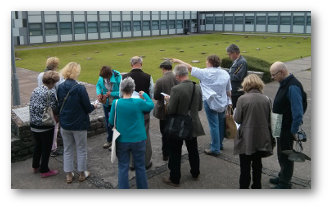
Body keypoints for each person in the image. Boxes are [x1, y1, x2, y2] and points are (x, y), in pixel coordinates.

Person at [172, 55, 231, 156]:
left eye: (206, 62)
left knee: (214, 125)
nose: (205, 63)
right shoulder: (225, 73)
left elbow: (189, 67)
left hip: (210, 101)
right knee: (221, 124)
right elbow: (228, 91)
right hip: (223, 102)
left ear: (210, 63)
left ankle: (215, 148)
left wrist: (178, 60)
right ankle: (219, 144)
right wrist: (229, 103)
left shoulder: (205, 72)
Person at [162, 64, 204, 187]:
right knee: (193, 150)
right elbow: (200, 107)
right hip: (193, 123)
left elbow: (171, 110)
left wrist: (168, 101)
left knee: (175, 152)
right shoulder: (197, 87)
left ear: (177, 76)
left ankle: (175, 179)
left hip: (179, 125)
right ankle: (195, 173)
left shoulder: (176, 89)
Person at [109, 77, 154, 189]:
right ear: (132, 89)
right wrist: (145, 95)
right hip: (138, 139)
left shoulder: (116, 103)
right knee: (140, 166)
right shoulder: (138, 102)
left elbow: (110, 121)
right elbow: (150, 105)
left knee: (123, 167)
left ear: (121, 89)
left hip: (122, 140)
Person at [57, 62, 98, 184]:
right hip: (79, 124)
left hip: (65, 123)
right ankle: (82, 173)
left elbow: (59, 104)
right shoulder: (80, 88)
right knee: (81, 149)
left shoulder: (60, 87)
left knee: (67, 149)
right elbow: (87, 107)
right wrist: (94, 106)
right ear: (76, 72)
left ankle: (69, 175)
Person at [269, 61, 307, 189]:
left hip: (287, 128)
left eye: (273, 75)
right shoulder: (285, 83)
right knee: (281, 153)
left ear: (281, 72)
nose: (272, 78)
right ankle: (282, 175)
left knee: (286, 155)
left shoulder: (293, 86)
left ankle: (285, 183)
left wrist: (293, 131)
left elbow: (298, 112)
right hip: (279, 123)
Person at [234, 74, 273, 189]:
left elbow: (237, 119)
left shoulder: (242, 99)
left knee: (245, 166)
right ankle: (257, 186)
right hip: (262, 137)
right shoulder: (267, 99)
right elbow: (270, 119)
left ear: (246, 85)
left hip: (246, 138)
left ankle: (244, 187)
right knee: (257, 164)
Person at [122, 56, 154, 170]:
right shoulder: (148, 77)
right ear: (141, 64)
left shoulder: (124, 77)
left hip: (129, 112)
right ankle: (145, 162)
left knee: (130, 135)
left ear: (131, 65)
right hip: (143, 111)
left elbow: (122, 95)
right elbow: (151, 94)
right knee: (145, 136)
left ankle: (132, 163)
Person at [29, 70, 60, 178]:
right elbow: (55, 108)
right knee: (46, 148)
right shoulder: (50, 92)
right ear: (52, 82)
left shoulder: (35, 90)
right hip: (45, 125)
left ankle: (35, 165)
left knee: (37, 146)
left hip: (33, 124)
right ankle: (44, 170)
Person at [37, 57, 64, 157]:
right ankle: (53, 149)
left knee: (46, 128)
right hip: (52, 104)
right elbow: (59, 90)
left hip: (42, 103)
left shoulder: (40, 75)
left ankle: (48, 147)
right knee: (54, 127)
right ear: (55, 65)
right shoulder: (57, 76)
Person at [153, 60, 178, 161]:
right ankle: (175, 152)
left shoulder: (160, 81)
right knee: (175, 132)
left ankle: (166, 154)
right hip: (176, 109)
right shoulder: (178, 77)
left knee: (165, 133)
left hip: (164, 111)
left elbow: (156, 96)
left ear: (163, 69)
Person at [96, 66, 122, 150]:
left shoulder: (118, 77)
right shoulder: (102, 77)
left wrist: (112, 93)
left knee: (116, 123)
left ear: (110, 75)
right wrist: (99, 93)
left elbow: (122, 93)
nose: (105, 79)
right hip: (106, 104)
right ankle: (109, 140)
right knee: (108, 123)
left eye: (106, 78)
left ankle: (116, 142)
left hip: (116, 103)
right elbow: (98, 86)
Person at [226, 44, 248, 109]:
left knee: (234, 110)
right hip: (232, 90)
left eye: (229, 54)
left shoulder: (242, 62)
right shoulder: (236, 61)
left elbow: (238, 77)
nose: (229, 56)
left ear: (235, 53)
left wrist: (226, 76)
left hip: (237, 92)